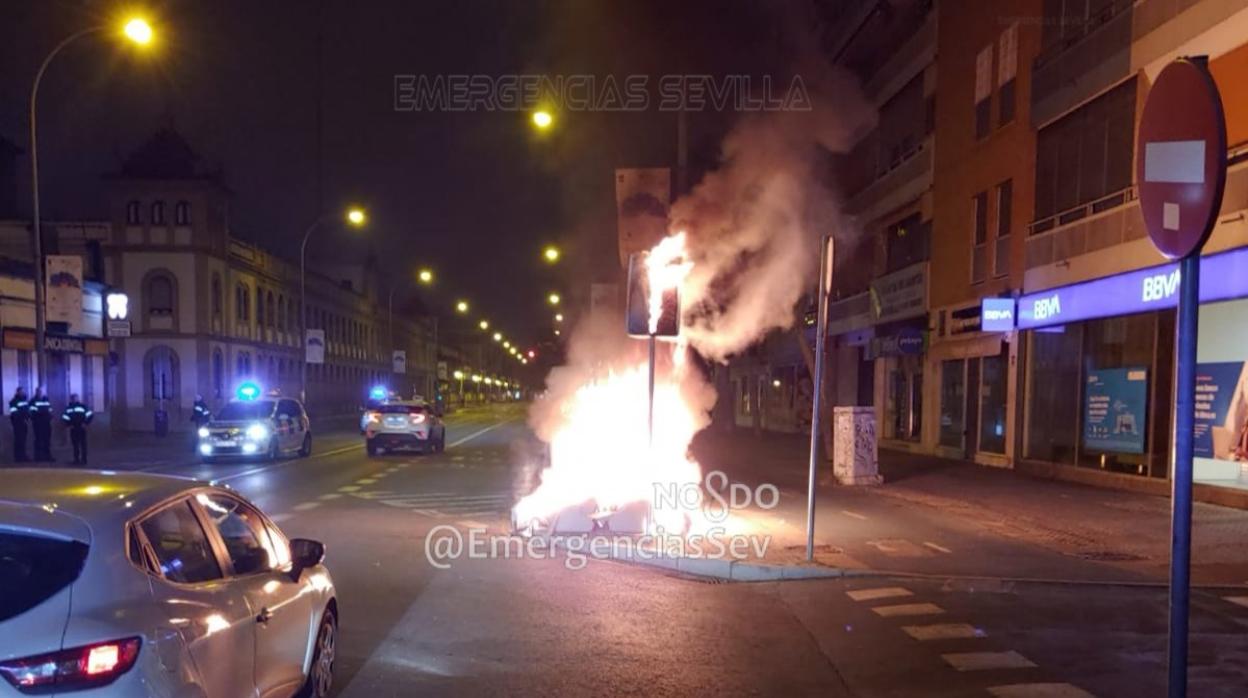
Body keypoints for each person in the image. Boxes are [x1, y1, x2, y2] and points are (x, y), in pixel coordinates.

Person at [60, 394, 94, 465]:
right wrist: (69, 425)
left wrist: (85, 423)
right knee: (75, 445)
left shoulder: (83, 406)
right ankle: (76, 459)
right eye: (73, 398)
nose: (74, 399)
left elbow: (90, 414)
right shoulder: (68, 408)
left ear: (78, 399)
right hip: (74, 428)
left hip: (81, 427)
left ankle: (84, 460)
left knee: (83, 444)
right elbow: (65, 417)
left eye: (75, 398)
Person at [30, 388, 53, 462]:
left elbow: (50, 410)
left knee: (47, 440)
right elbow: (33, 412)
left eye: (41, 392)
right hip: (38, 423)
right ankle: (38, 457)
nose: (40, 393)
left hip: (46, 422)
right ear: (36, 392)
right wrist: (43, 412)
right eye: (39, 392)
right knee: (38, 439)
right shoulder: (33, 401)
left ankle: (47, 456)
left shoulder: (46, 400)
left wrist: (49, 416)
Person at [8, 386, 29, 462]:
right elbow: (14, 413)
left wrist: (27, 418)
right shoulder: (13, 402)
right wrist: (23, 418)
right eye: (21, 391)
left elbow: (27, 410)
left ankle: (23, 456)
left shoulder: (24, 400)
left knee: (23, 440)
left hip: (24, 422)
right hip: (18, 423)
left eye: (23, 391)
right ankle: (18, 457)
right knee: (18, 440)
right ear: (17, 392)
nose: (22, 393)